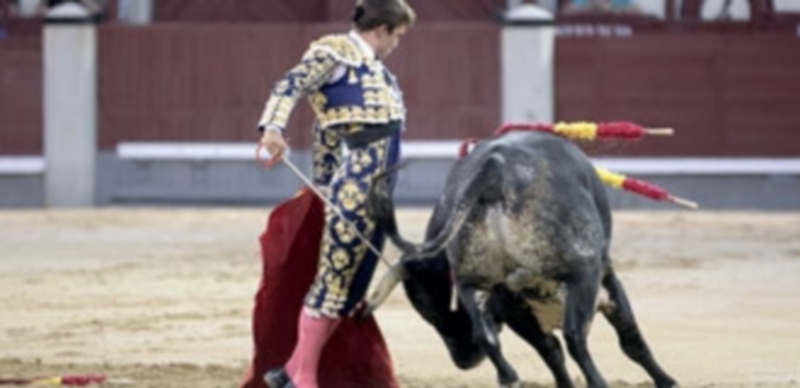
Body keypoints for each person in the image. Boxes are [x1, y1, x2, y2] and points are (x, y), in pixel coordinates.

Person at [256, 0, 415, 387]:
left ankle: (292, 371)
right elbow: (289, 85)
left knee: (350, 284)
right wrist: (272, 129)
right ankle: (305, 380)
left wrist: (323, 181)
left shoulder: (373, 69)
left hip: (375, 189)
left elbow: (326, 127)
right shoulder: (334, 53)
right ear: (381, 29)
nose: (397, 43)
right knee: (332, 282)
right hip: (358, 185)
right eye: (397, 35)